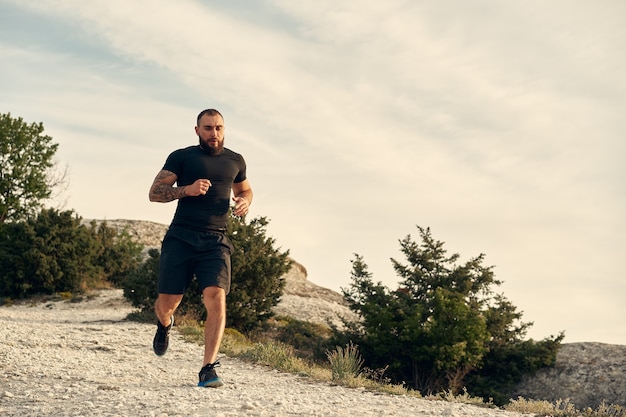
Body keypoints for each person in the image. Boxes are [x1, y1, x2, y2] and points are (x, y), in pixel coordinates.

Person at [148, 108, 253, 388]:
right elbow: (154, 193)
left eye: (218, 128)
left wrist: (245, 201)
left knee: (216, 296)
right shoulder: (182, 157)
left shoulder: (235, 160)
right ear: (197, 131)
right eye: (208, 128)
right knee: (168, 304)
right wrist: (186, 190)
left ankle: (208, 368)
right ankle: (164, 324)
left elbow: (245, 190)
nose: (214, 133)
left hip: (216, 240)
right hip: (181, 237)